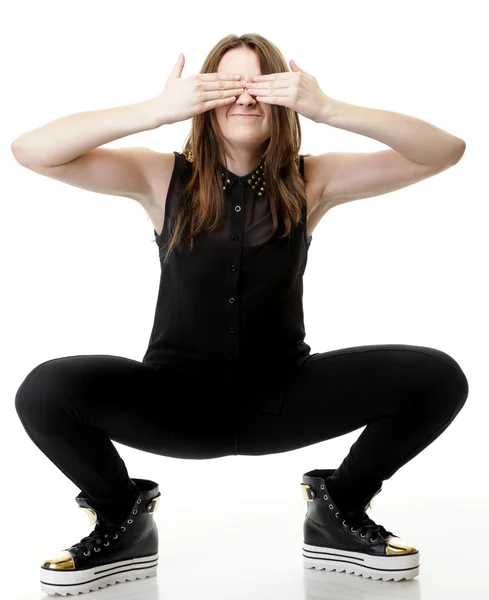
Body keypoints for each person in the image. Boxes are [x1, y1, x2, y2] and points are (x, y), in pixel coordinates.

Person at [12, 33, 468, 593]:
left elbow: (444, 151)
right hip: (176, 403)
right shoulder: (160, 178)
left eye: (261, 83)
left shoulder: (312, 181)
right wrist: (155, 111)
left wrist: (329, 108)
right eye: (227, 83)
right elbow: (32, 151)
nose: (245, 97)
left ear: (285, 99)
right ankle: (121, 518)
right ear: (201, 99)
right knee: (46, 389)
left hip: (281, 398)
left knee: (435, 376)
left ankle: (339, 508)